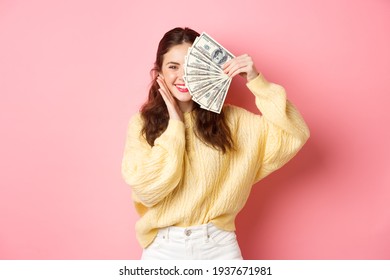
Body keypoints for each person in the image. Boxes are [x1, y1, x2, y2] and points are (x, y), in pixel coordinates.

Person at [121, 27, 310, 260]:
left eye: (191, 64)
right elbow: (149, 189)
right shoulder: (141, 124)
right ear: (159, 71)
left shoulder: (234, 122)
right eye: (173, 66)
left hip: (218, 247)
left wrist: (257, 82)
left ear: (206, 66)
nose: (183, 75)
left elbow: (294, 134)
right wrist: (176, 125)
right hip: (163, 249)